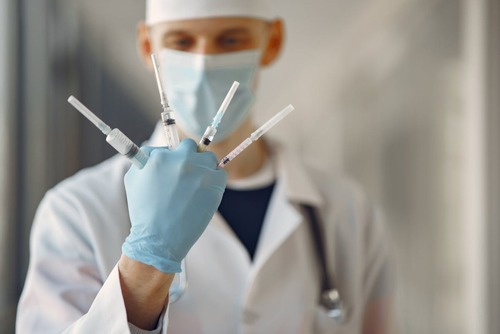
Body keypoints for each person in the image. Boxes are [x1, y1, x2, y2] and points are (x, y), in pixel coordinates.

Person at [17, 0, 395, 333]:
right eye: (181, 41)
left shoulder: (348, 212)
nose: (203, 62)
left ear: (272, 41)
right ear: (147, 45)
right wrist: (146, 262)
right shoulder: (77, 211)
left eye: (230, 40)